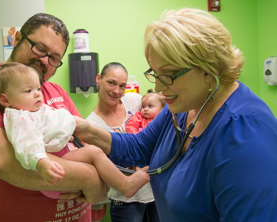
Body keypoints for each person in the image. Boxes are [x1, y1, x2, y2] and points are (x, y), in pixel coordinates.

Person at [73, 8, 277, 222]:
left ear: (209, 69)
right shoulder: (184, 108)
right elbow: (140, 146)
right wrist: (86, 130)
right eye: (155, 73)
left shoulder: (245, 133)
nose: (159, 87)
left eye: (169, 75)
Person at [0, 13, 109, 222]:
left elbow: (83, 145)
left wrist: (102, 180)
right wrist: (91, 179)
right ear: (17, 39)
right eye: (40, 48)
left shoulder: (57, 92)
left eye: (54, 58)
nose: (44, 60)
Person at [0, 61, 150, 199]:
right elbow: (27, 146)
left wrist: (66, 131)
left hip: (61, 158)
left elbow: (57, 120)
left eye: (38, 88)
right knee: (94, 153)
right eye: (28, 91)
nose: (37, 94)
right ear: (5, 99)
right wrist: (43, 164)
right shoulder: (20, 118)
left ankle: (122, 182)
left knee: (94, 154)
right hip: (50, 169)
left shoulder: (33, 109)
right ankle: (125, 185)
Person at [86, 62, 160, 222]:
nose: (116, 91)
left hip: (155, 191)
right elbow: (104, 168)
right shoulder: (91, 126)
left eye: (122, 86)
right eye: (111, 83)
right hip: (126, 202)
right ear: (98, 79)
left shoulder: (135, 101)